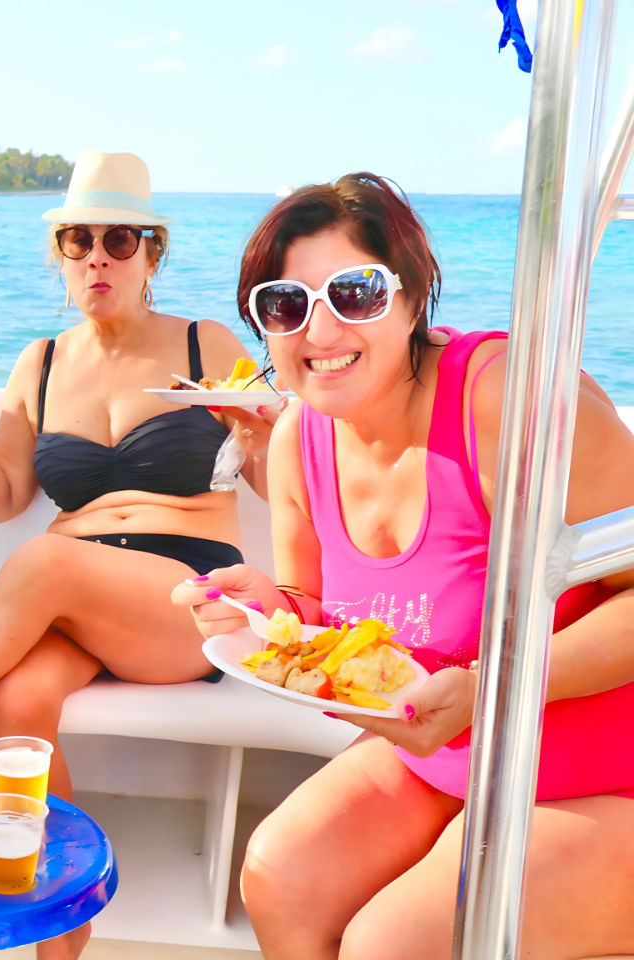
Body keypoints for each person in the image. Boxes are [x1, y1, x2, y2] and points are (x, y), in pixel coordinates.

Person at [173, 173, 634, 959]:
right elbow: (320, 615)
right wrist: (265, 613)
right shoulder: (297, 441)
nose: (319, 330)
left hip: (603, 767)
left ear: (414, 295)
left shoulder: (512, 402)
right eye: (286, 305)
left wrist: (493, 685)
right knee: (278, 874)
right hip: (446, 753)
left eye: (354, 293)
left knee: (392, 944)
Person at [0, 150, 274, 960]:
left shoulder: (205, 342)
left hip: (179, 600)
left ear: (151, 255)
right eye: (78, 240)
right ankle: (60, 944)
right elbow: (3, 496)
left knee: (43, 563)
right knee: (17, 711)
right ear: (60, 256)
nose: (98, 255)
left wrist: (258, 429)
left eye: (120, 239)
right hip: (75, 597)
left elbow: (274, 484)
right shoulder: (42, 361)